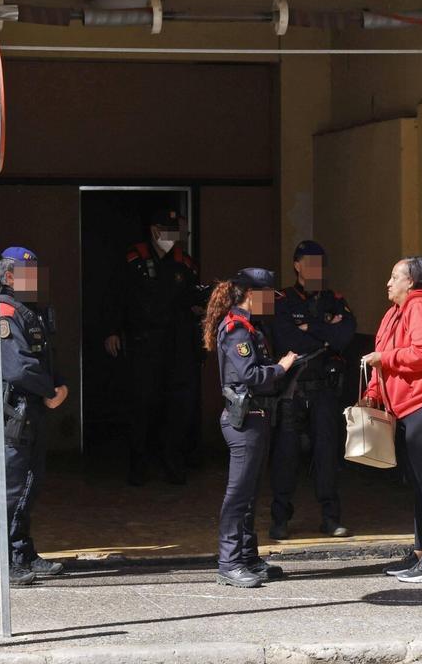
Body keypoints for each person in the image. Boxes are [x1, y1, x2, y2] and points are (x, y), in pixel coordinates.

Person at [361, 256, 422, 584]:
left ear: (412, 282)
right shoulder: (394, 313)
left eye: (394, 276)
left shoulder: (420, 306)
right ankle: (420, 553)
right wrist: (373, 393)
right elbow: (382, 361)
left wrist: (385, 358)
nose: (388, 283)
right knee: (419, 484)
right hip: (407, 409)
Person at [0, 246, 68, 586]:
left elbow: (45, 358)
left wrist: (58, 386)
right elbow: (17, 367)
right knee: (9, 484)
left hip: (31, 406)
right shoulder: (0, 312)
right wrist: (50, 391)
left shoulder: (29, 310)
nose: (34, 281)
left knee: (30, 480)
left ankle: (20, 550)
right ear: (8, 276)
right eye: (27, 274)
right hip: (14, 407)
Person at [204, 268, 298, 588]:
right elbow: (250, 375)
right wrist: (281, 367)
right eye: (268, 295)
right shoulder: (235, 329)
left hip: (257, 417)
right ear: (251, 294)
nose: (271, 302)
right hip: (242, 420)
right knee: (238, 494)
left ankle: (247, 556)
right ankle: (229, 562)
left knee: (250, 493)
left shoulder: (250, 327)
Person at [102, 208, 201, 486]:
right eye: (170, 230)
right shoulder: (134, 258)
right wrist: (112, 330)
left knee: (177, 406)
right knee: (142, 405)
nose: (176, 236)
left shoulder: (185, 263)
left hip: (177, 344)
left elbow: (193, 298)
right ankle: (138, 465)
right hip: (144, 342)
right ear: (156, 231)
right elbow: (116, 296)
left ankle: (172, 462)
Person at [270, 240, 356, 539]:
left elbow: (345, 336)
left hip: (324, 391)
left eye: (321, 263)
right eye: (310, 262)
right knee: (286, 455)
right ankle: (280, 518)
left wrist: (312, 327)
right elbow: (284, 340)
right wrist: (325, 332)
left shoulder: (334, 298)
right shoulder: (279, 299)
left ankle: (331, 518)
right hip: (293, 389)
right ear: (297, 264)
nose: (316, 269)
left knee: (327, 455)